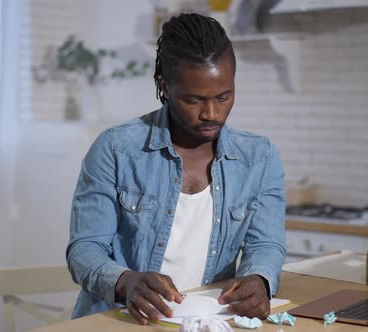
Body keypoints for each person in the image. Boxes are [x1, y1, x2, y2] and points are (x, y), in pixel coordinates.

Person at [66, 12, 286, 324]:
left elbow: (266, 243)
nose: (211, 113)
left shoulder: (259, 157)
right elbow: (84, 250)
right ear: (164, 86)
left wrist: (260, 280)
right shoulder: (115, 149)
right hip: (120, 321)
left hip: (208, 321)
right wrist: (126, 281)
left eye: (224, 97)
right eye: (194, 100)